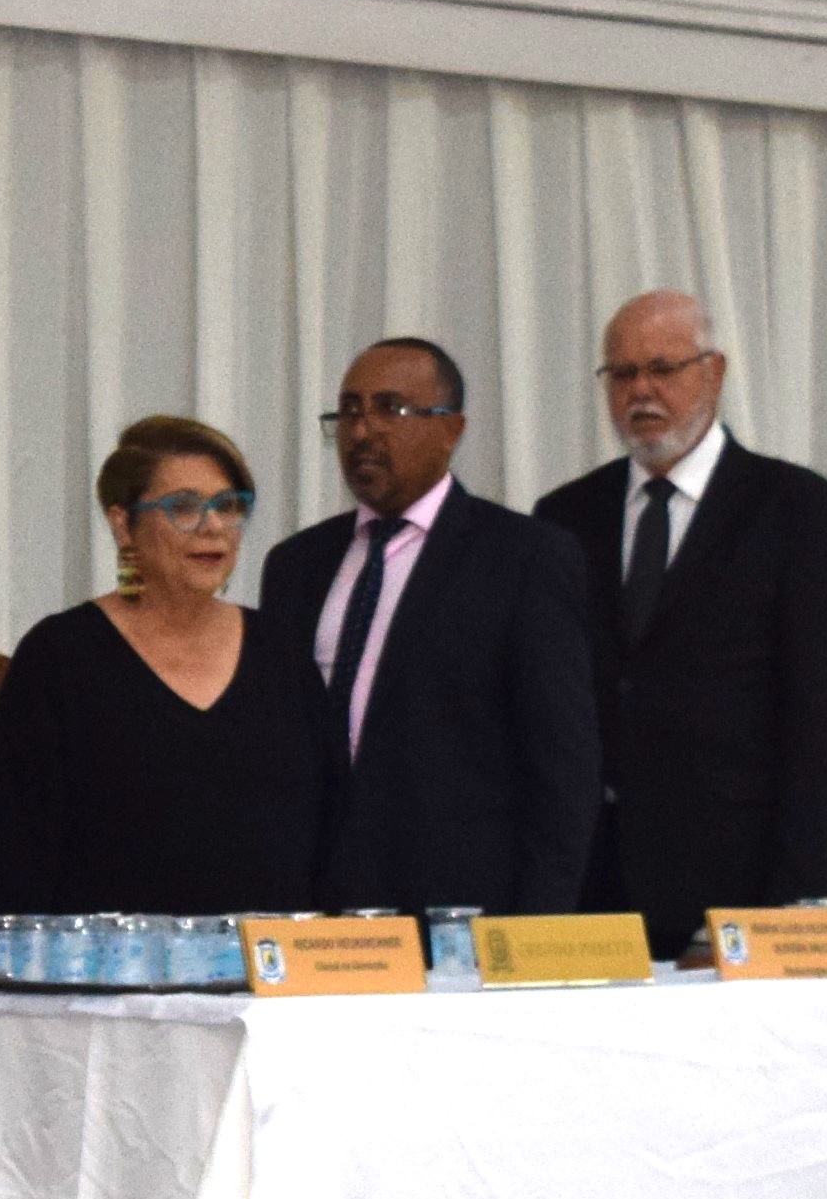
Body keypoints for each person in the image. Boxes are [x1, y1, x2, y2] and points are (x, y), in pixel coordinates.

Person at [528, 290, 827, 955]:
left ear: (714, 372)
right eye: (622, 373)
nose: (640, 390)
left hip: (737, 882)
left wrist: (788, 909)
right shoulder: (565, 517)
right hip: (591, 892)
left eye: (662, 368)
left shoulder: (797, 509)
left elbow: (822, 725)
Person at [253, 335, 602, 916]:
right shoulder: (297, 565)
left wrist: (536, 928)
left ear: (451, 429)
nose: (362, 431)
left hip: (461, 913)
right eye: (349, 411)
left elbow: (563, 767)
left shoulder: (523, 558)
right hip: (318, 909)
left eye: (390, 409)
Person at [0, 417, 329, 920]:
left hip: (268, 961)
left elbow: (329, 837)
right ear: (123, 524)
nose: (213, 527)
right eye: (184, 507)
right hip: (106, 965)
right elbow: (9, 858)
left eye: (228, 506)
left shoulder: (280, 652)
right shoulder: (61, 658)